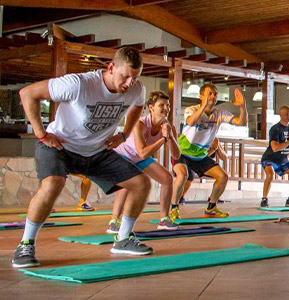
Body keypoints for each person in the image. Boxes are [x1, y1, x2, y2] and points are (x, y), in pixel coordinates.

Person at [14, 47, 152, 267]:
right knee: (53, 184)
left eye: (134, 78)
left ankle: (123, 239)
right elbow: (28, 94)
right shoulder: (79, 84)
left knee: (141, 183)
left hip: (96, 152)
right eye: (124, 76)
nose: (128, 83)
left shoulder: (137, 89)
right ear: (110, 68)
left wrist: (124, 134)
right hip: (61, 146)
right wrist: (41, 133)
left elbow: (138, 106)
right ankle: (25, 244)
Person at [107, 91, 181, 233]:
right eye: (161, 105)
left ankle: (164, 219)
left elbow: (177, 155)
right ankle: (114, 222)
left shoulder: (168, 127)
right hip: (123, 155)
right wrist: (163, 140)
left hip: (140, 158)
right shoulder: (140, 124)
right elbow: (142, 151)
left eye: (168, 105)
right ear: (151, 107)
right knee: (126, 183)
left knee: (167, 178)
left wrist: (170, 137)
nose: (166, 108)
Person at [170, 83, 247, 219]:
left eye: (215, 93)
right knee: (182, 176)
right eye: (209, 93)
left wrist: (242, 106)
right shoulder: (191, 109)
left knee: (222, 177)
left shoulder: (219, 113)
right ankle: (173, 208)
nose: (213, 96)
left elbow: (241, 122)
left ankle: (211, 208)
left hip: (200, 156)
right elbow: (191, 122)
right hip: (182, 152)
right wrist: (203, 107)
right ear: (201, 96)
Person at [259, 106, 289, 207]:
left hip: (282, 160)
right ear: (280, 115)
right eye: (286, 114)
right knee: (270, 175)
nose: (288, 116)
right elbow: (275, 148)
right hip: (269, 158)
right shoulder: (275, 129)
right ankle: (264, 199)